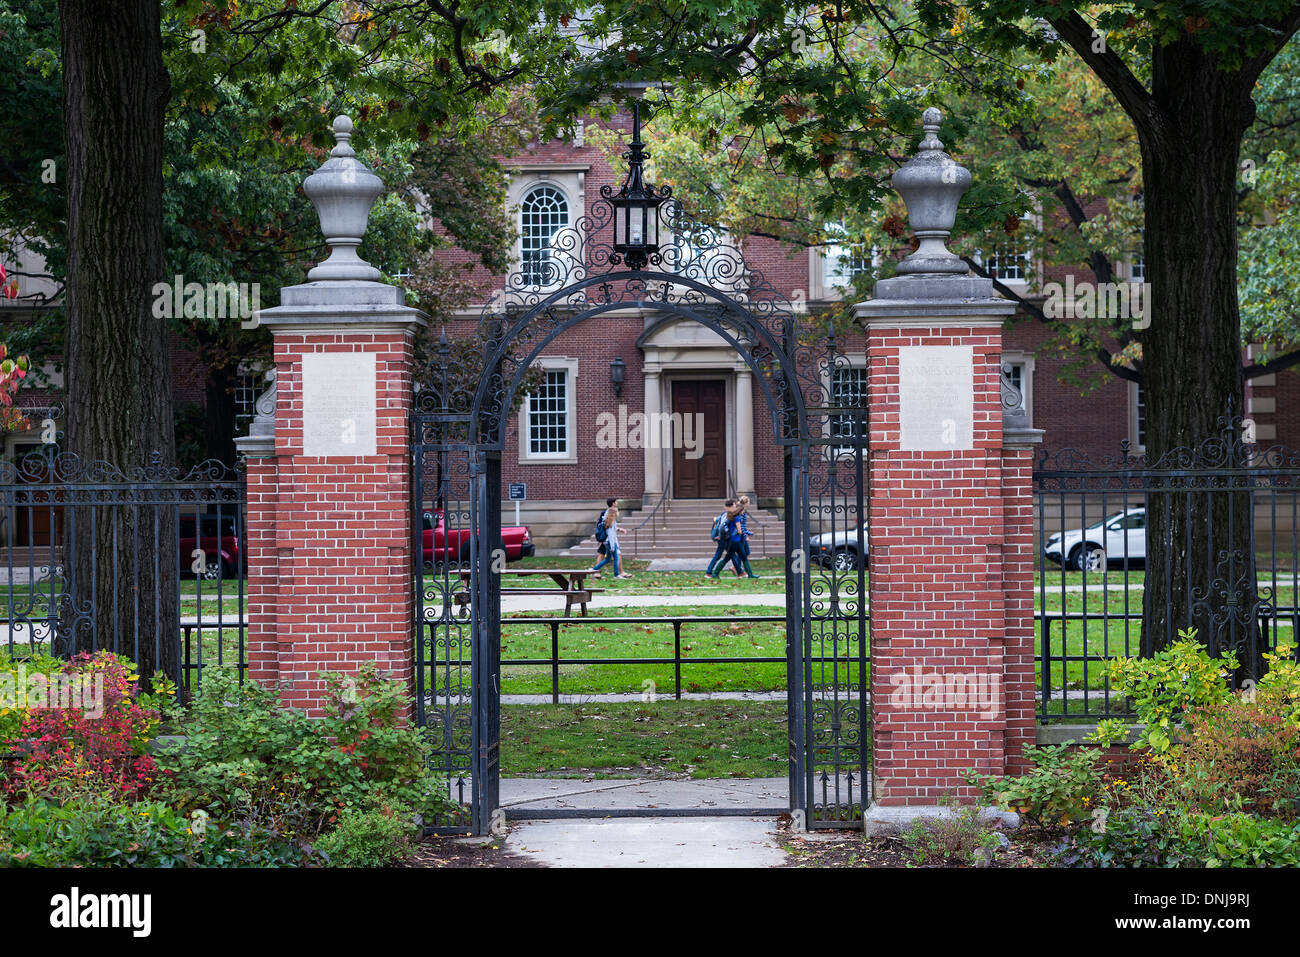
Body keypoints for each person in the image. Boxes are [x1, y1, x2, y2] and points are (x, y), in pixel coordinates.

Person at [590, 497, 630, 579]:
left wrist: (619, 529)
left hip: (607, 541)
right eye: (617, 511)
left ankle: (592, 570)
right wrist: (612, 545)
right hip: (610, 542)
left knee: (608, 559)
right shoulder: (610, 518)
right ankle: (616, 575)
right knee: (616, 557)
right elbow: (610, 533)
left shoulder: (608, 518)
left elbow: (611, 528)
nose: (618, 512)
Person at [704, 500, 735, 577]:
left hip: (722, 538)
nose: (735, 507)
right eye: (734, 505)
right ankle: (740, 572)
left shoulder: (725, 514)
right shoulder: (727, 515)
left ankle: (709, 572)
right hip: (723, 538)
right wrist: (721, 536)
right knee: (729, 554)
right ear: (730, 506)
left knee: (724, 555)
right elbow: (722, 527)